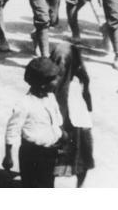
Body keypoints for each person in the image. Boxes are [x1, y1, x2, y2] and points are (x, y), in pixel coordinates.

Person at [3, 57, 64, 188]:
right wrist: (8, 156)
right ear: (42, 83)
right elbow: (12, 130)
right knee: (32, 185)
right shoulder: (25, 104)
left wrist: (61, 135)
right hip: (32, 154)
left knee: (48, 183)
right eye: (54, 79)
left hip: (51, 152)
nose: (58, 81)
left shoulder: (51, 97)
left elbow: (56, 120)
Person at [49, 44, 93, 188]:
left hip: (75, 123)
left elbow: (86, 101)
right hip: (65, 124)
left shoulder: (76, 80)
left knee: (80, 158)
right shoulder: (50, 83)